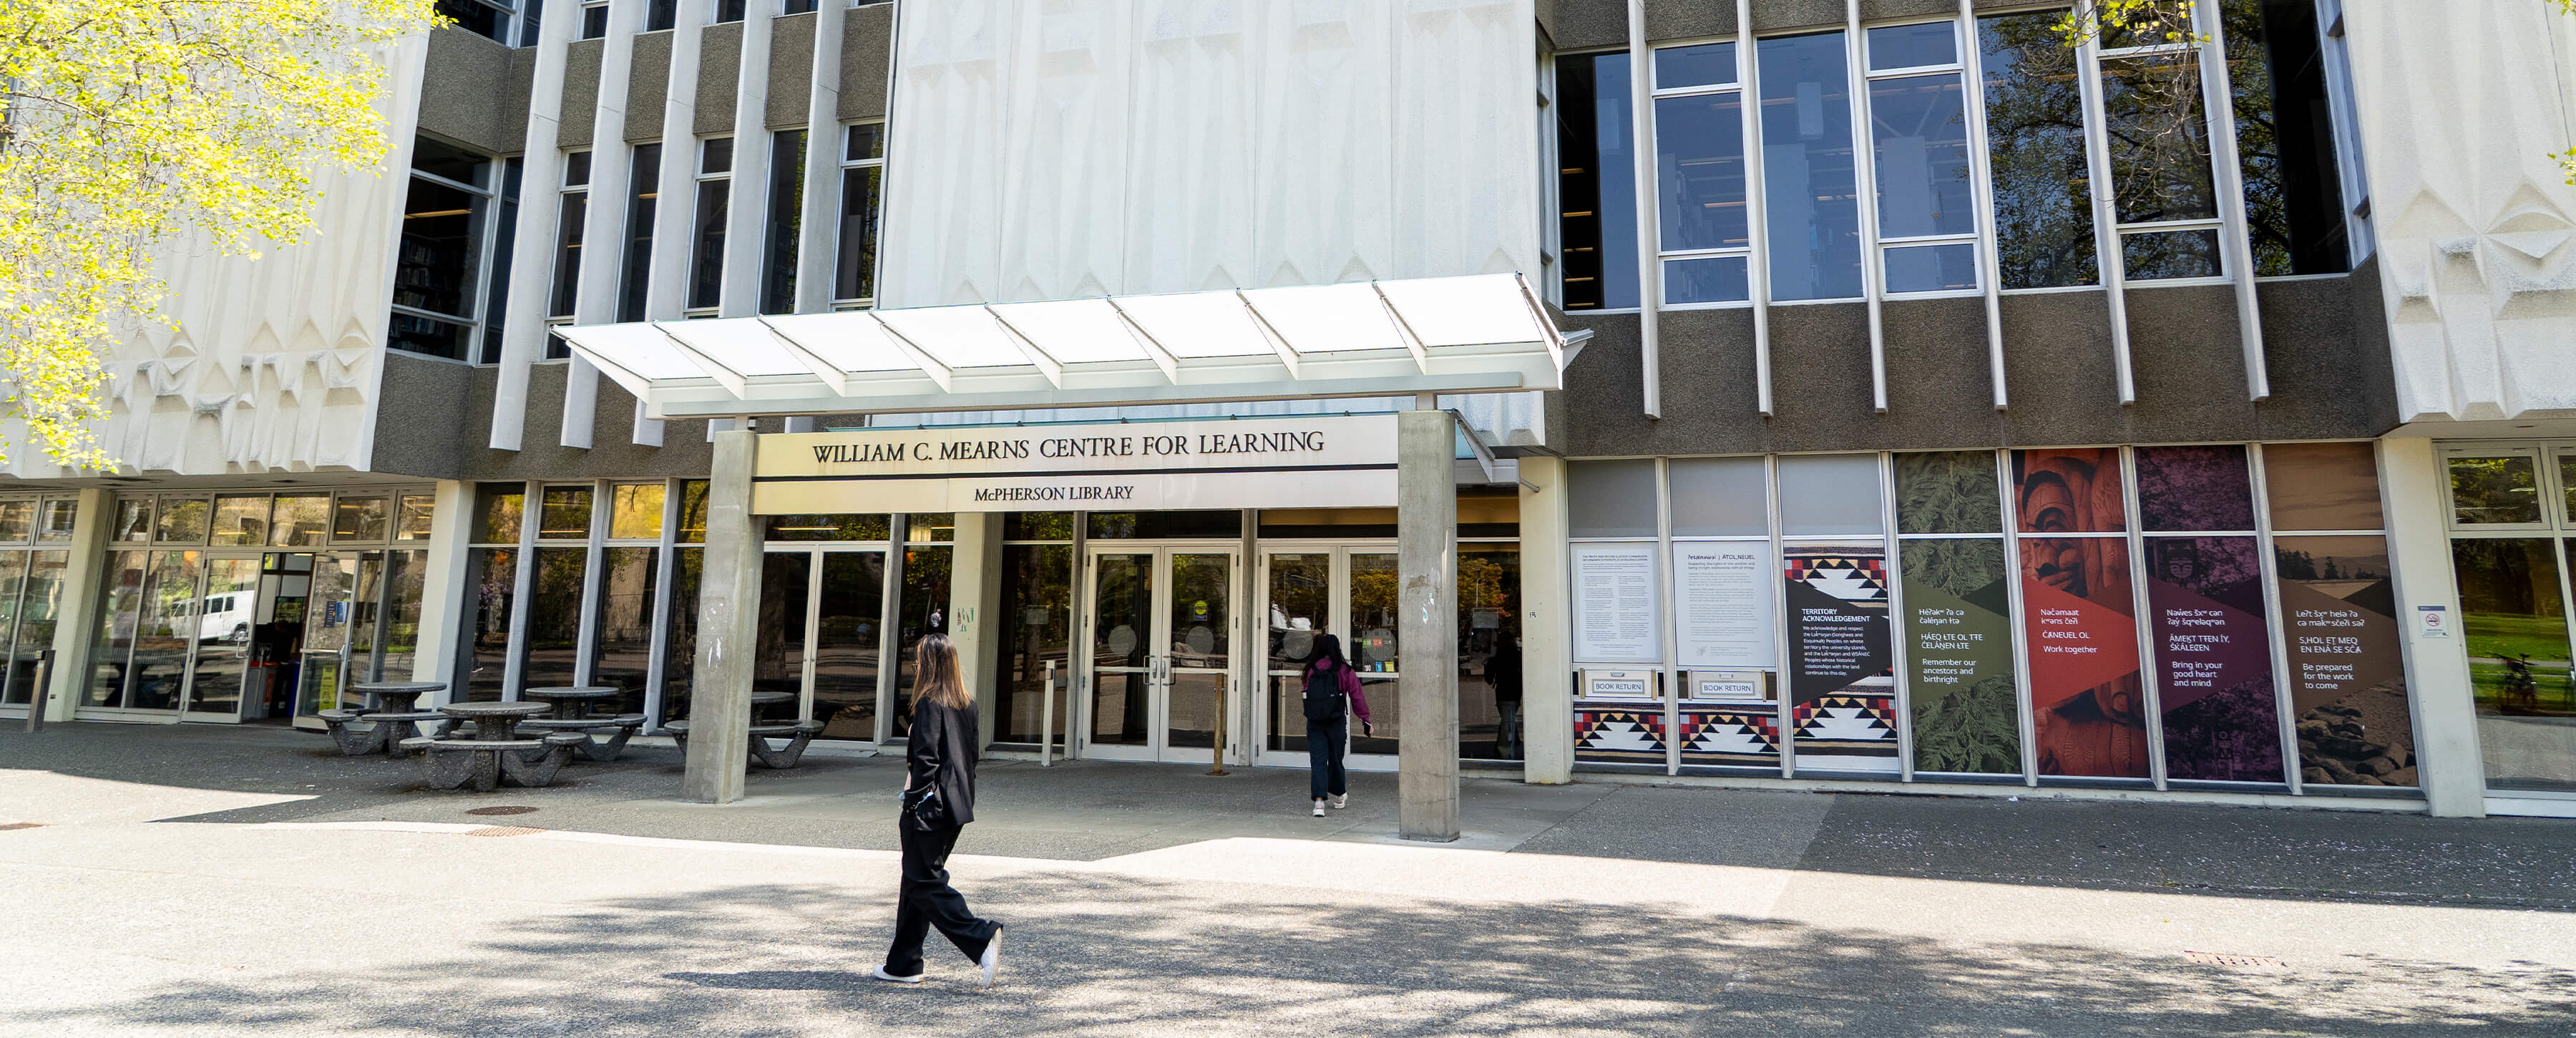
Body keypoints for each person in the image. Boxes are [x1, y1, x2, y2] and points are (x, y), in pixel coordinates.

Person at [874, 633, 1007, 988]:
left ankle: (980, 937)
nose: (914, 667)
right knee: (916, 880)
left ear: (930, 666)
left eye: (918, 661)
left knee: (924, 882)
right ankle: (904, 964)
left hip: (929, 808)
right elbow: (971, 758)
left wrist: (914, 800)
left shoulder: (930, 703)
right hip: (955, 806)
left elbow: (926, 760)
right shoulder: (967, 703)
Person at [1301, 634, 1372, 818]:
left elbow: (1306, 695)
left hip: (1315, 722)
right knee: (1335, 759)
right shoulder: (1345, 670)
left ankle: (1318, 804)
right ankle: (1339, 796)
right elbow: (1357, 697)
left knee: (1318, 761)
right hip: (1336, 721)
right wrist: (1365, 720)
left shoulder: (1310, 670)